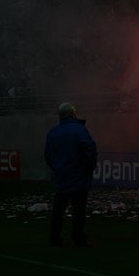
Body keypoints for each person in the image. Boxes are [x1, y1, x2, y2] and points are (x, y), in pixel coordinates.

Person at [45, 102, 97, 247]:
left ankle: (55, 238)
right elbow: (90, 151)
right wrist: (88, 169)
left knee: (58, 211)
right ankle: (78, 238)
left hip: (61, 178)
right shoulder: (79, 130)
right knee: (78, 211)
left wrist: (58, 168)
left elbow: (48, 155)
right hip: (78, 178)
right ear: (74, 114)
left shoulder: (53, 132)